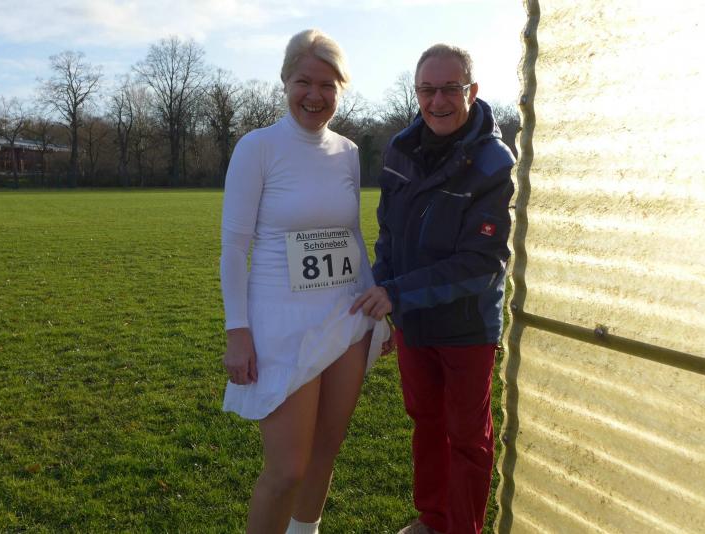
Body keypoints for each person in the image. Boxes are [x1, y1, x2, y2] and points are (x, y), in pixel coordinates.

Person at [220, 29, 391, 534]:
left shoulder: (348, 152)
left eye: (327, 85)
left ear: (341, 90)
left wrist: (378, 315)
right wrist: (237, 331)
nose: (315, 95)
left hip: (346, 316)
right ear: (285, 82)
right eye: (304, 82)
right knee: (286, 470)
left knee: (325, 452)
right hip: (280, 322)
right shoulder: (257, 148)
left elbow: (351, 236)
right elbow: (234, 250)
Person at [351, 44, 515, 534]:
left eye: (450, 89)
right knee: (425, 420)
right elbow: (389, 233)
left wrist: (396, 293)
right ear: (416, 91)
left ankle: (463, 527)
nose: (437, 101)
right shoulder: (400, 150)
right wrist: (385, 293)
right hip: (413, 322)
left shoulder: (493, 162)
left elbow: (481, 264)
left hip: (466, 326)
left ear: (472, 91)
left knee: (466, 436)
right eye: (427, 89)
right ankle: (433, 519)